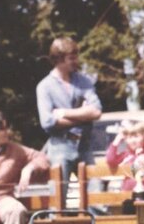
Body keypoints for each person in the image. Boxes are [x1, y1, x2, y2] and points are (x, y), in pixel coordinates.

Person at [36, 37, 102, 196]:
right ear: (58, 59)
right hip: (60, 147)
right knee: (57, 201)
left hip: (85, 146)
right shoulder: (45, 87)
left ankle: (96, 221)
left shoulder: (84, 81)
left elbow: (96, 111)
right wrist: (83, 114)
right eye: (71, 58)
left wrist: (63, 113)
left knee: (97, 197)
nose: (76, 61)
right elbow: (48, 122)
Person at [106, 119, 144, 193]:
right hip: (127, 193)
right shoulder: (126, 154)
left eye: (136, 136)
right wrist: (117, 141)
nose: (133, 141)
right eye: (129, 138)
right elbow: (111, 160)